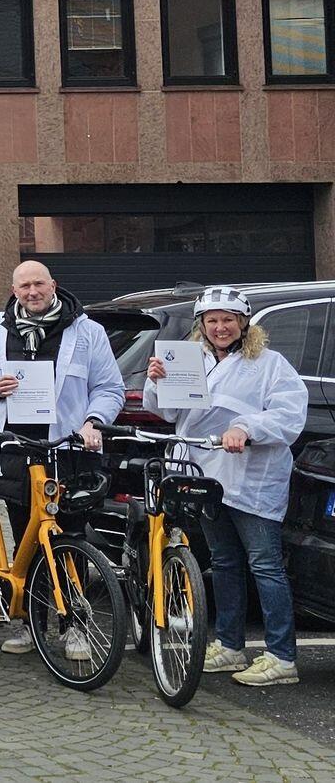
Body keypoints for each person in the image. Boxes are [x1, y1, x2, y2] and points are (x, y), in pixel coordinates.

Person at [143, 287, 309, 687]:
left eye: (228, 320)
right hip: (205, 475)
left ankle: (282, 657)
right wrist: (157, 382)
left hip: (250, 478)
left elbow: (289, 414)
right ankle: (231, 646)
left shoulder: (269, 364)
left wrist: (246, 428)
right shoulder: (190, 360)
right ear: (201, 325)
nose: (220, 327)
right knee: (224, 562)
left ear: (243, 323)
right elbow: (168, 412)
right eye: (212, 320)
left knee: (265, 565)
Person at [0, 261, 122, 655]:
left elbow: (109, 387)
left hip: (69, 450)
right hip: (15, 450)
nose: (32, 292)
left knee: (70, 536)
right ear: (14, 291)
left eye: (38, 284)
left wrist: (93, 421)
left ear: (53, 285)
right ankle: (30, 624)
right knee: (26, 538)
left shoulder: (87, 332)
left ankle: (75, 625)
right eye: (24, 286)